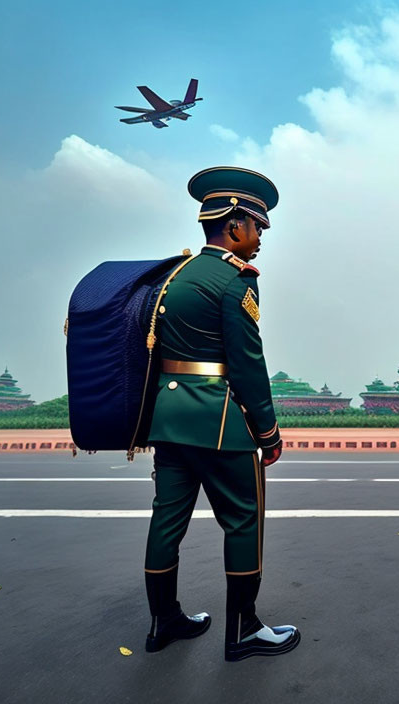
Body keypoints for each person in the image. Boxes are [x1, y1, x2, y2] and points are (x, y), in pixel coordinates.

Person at [142, 166, 300, 662]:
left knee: (167, 521)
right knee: (243, 522)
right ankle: (244, 631)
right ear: (235, 225)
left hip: (168, 421)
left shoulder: (175, 277)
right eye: (258, 227)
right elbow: (248, 364)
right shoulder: (237, 280)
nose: (260, 238)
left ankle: (163, 622)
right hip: (219, 422)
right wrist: (268, 432)